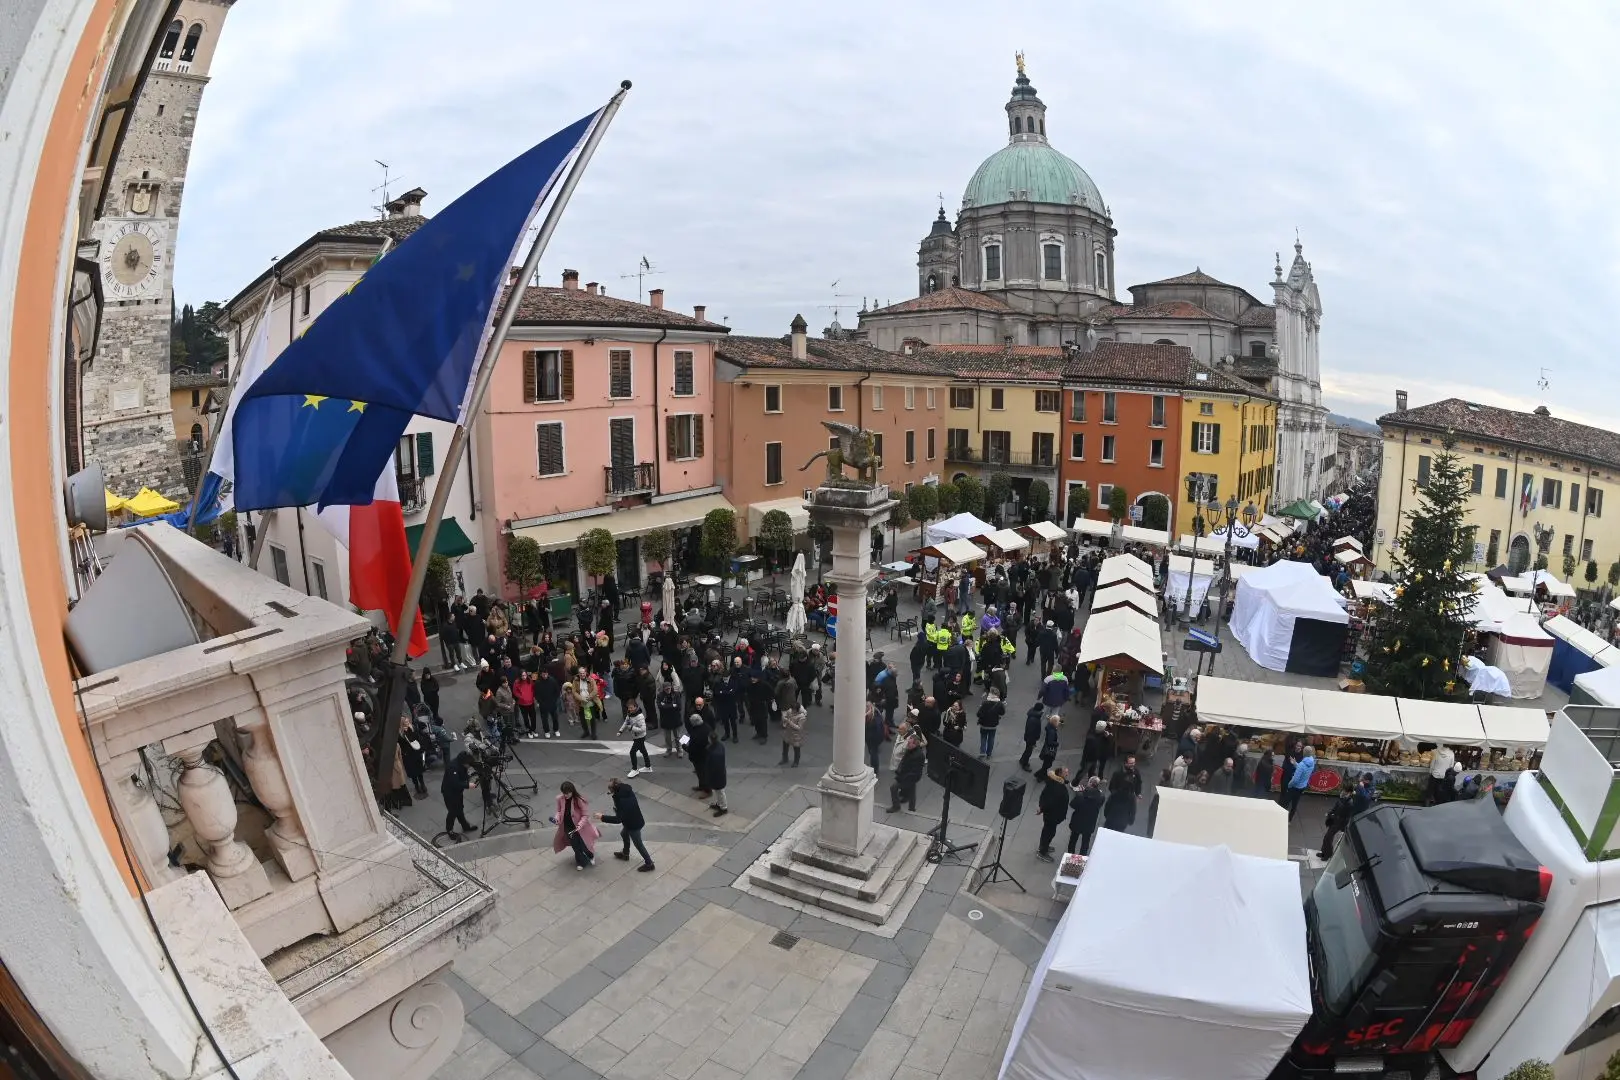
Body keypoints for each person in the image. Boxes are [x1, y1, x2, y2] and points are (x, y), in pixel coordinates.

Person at [596, 777, 654, 871]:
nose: (609, 791)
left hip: (633, 825)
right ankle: (625, 854)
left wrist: (602, 817)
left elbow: (618, 819)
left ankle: (649, 864)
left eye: (610, 790)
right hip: (633, 819)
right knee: (623, 833)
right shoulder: (626, 791)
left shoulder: (620, 800)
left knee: (638, 844)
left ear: (614, 789)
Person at [550, 781, 599, 870]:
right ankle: (581, 862)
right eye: (564, 793)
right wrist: (557, 819)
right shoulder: (560, 799)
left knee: (584, 845)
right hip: (568, 826)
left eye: (567, 793)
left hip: (579, 827)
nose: (565, 795)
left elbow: (585, 815)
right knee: (575, 846)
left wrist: (579, 825)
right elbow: (559, 811)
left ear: (572, 791)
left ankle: (590, 855)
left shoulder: (578, 800)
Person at [1036, 765, 1070, 862]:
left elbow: (1044, 795)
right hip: (1052, 816)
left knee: (1048, 832)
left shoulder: (1055, 783)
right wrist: (1042, 808)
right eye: (1065, 772)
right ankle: (1042, 851)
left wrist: (1041, 808)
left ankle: (1044, 847)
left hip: (1053, 815)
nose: (1067, 774)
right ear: (1059, 774)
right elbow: (1049, 801)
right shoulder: (1056, 787)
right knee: (1048, 833)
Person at [887, 730, 926, 813]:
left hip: (908, 776)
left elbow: (915, 770)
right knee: (912, 790)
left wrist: (902, 778)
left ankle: (896, 806)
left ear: (915, 744)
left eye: (910, 743)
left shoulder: (919, 755)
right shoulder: (911, 750)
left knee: (893, 788)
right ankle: (912, 808)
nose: (908, 744)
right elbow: (904, 760)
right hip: (908, 775)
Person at [441, 751, 476, 841]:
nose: (469, 767)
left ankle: (465, 826)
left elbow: (463, 775)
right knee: (452, 812)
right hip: (450, 793)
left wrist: (468, 777)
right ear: (464, 763)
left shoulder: (461, 764)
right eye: (468, 765)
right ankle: (449, 830)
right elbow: (455, 783)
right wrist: (468, 785)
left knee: (459, 808)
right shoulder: (453, 767)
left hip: (457, 792)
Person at [1068, 775, 1105, 855]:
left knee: (1073, 839)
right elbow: (1099, 805)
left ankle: (1071, 854)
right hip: (1090, 822)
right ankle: (1082, 857)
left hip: (1077, 821)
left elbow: (1072, 805)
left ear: (1090, 783)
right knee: (1085, 842)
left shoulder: (1080, 795)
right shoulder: (1101, 797)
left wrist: (1080, 792)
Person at [1280, 744, 1316, 821]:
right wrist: (1295, 763)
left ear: (1304, 752)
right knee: (1294, 804)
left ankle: (1282, 819)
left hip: (1294, 787)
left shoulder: (1302, 764)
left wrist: (1289, 785)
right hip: (1302, 786)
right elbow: (1304, 769)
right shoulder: (1312, 762)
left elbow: (1295, 779)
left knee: (1286, 802)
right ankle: (1289, 820)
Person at [624, 701, 651, 776]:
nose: (629, 709)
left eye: (631, 707)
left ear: (635, 707)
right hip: (637, 737)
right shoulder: (630, 714)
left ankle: (635, 769)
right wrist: (621, 730)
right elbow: (626, 722)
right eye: (629, 708)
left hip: (640, 737)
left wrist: (632, 728)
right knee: (643, 750)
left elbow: (643, 729)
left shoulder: (640, 716)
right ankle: (648, 766)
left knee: (632, 752)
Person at [975, 690, 1004, 760]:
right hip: (993, 725)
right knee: (991, 738)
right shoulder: (999, 704)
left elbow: (978, 714)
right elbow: (1002, 713)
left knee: (983, 738)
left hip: (984, 724)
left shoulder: (985, 703)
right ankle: (989, 754)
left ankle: (982, 753)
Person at [706, 731, 729, 816]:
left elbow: (713, 766)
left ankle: (723, 807)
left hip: (717, 776)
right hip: (720, 774)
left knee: (720, 792)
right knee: (718, 791)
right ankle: (719, 804)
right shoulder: (720, 746)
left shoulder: (714, 753)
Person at [1018, 700, 1044, 771]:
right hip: (1031, 739)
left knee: (1027, 750)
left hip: (1029, 738)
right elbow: (1031, 732)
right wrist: (1033, 741)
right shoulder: (1034, 719)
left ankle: (1022, 760)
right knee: (1029, 751)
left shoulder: (1033, 715)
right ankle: (1025, 764)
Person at [780, 698, 806, 767]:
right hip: (788, 733)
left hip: (796, 735)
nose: (791, 711)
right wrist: (784, 719)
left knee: (796, 749)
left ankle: (796, 762)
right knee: (785, 746)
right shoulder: (790, 711)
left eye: (793, 710)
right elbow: (785, 716)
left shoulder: (802, 717)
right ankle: (785, 758)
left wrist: (789, 722)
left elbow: (799, 728)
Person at [865, 703, 886, 774]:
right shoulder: (876, 715)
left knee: (873, 754)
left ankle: (875, 769)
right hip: (872, 738)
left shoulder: (874, 718)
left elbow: (876, 729)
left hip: (873, 739)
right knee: (872, 753)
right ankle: (874, 767)